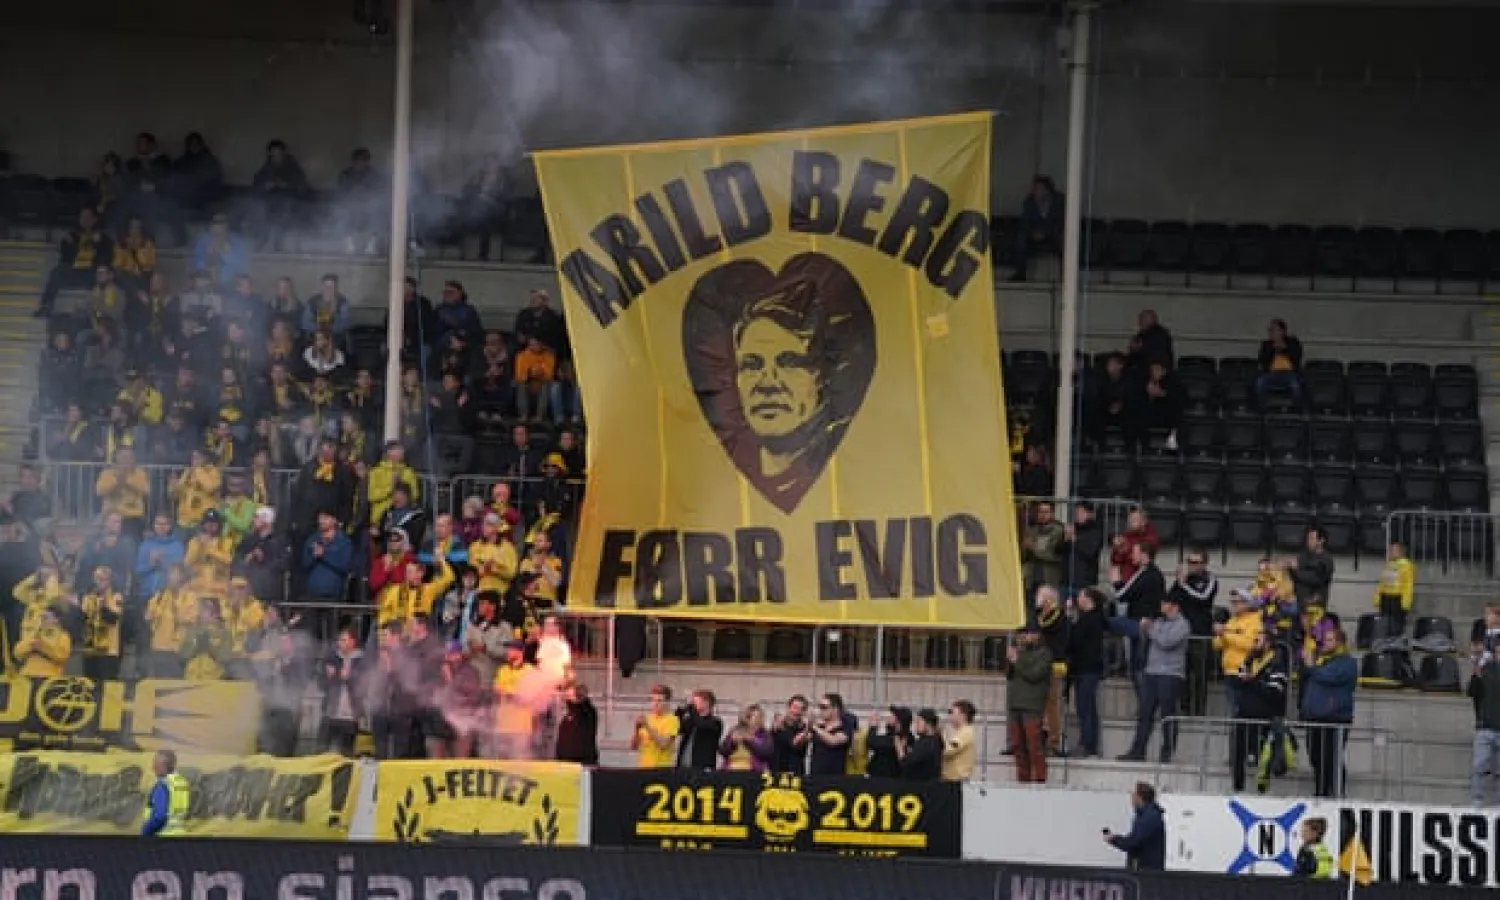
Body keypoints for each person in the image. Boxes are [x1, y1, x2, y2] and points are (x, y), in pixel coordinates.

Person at [1117, 594, 1191, 763]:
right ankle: (1138, 750)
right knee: (1144, 713)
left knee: (1168, 714)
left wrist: (1150, 629)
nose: (1162, 607)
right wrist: (1145, 630)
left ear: (1175, 606)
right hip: (1151, 672)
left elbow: (1166, 642)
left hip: (1170, 674)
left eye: (1165, 604)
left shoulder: (1182, 625)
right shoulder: (1159, 622)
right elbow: (1149, 640)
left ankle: (1166, 752)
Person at [1301, 624, 1357, 798]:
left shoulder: (1347, 663)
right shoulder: (1322, 660)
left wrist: (1310, 665)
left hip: (1335, 718)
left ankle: (1336, 792)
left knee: (1331, 758)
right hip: (1315, 718)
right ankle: (1321, 792)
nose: (1325, 643)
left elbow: (1328, 677)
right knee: (1316, 757)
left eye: (1330, 640)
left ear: (1340, 643)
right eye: (1324, 640)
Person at [1233, 630, 1290, 793]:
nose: (1254, 644)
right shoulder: (1250, 659)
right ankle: (1238, 787)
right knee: (1239, 753)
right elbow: (1239, 680)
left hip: (1265, 718)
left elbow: (1276, 691)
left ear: (1268, 643)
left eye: (1258, 640)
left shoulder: (1277, 663)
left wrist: (1253, 681)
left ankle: (1262, 789)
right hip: (1244, 715)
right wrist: (1243, 679)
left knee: (1263, 757)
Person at [1171, 548, 1219, 717]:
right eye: (1190, 562)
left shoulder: (1210, 579)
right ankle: (1184, 708)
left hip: (1200, 634)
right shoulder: (1183, 580)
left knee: (1200, 675)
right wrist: (1179, 583)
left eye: (1196, 562)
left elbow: (1203, 598)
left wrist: (1183, 585)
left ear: (1204, 564)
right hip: (1183, 634)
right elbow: (1171, 600)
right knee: (1182, 674)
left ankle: (1199, 711)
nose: (1192, 566)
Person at [1006, 626, 1053, 783]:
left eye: (1029, 633)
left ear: (1038, 635)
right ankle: (1023, 780)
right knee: (1018, 747)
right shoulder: (1020, 652)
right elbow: (1010, 675)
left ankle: (1040, 780)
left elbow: (1034, 674)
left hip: (1032, 705)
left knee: (1034, 747)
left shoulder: (1045, 654)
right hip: (1015, 704)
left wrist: (1017, 660)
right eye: (1024, 634)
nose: (1025, 637)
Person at [1068, 587, 1108, 757]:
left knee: (1085, 708)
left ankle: (1087, 743)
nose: (1078, 598)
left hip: (1086, 668)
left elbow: (1075, 641)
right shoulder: (1096, 618)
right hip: (1088, 668)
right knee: (1088, 707)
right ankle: (1090, 744)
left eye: (1081, 596)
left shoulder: (1089, 620)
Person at [1468, 604, 1500, 806]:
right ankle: (1476, 802)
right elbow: (1473, 692)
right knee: (1479, 766)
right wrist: (1475, 673)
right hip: (1485, 725)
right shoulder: (1485, 670)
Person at [1011, 175, 1063, 282]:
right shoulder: (1029, 203)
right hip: (1035, 236)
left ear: (1047, 191)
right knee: (1021, 238)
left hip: (1054, 234)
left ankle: (1066, 274)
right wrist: (1032, 233)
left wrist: (1046, 233)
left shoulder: (1059, 202)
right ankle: (1020, 272)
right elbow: (1025, 223)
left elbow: (1061, 222)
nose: (1034, 191)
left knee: (1065, 239)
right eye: (1034, 189)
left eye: (1038, 189)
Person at [1103, 782, 1166, 871]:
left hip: (1146, 872)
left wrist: (1114, 839)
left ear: (1139, 797)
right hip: (1144, 870)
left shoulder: (1149, 817)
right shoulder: (1145, 816)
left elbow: (1134, 842)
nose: (1131, 798)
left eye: (1133, 794)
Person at [141, 749, 191, 837]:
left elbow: (159, 817)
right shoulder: (182, 783)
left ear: (163, 766)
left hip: (162, 835)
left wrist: (146, 831)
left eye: (156, 764)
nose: (153, 768)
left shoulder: (163, 786)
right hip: (181, 834)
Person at [1255, 318, 1304, 407]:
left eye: (1273, 330)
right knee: (1260, 383)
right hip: (1271, 373)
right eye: (1270, 330)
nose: (1270, 332)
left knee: (1295, 385)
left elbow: (1297, 357)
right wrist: (1272, 349)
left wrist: (1284, 349)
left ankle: (1298, 410)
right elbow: (1262, 361)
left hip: (1289, 373)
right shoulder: (1266, 345)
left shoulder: (1293, 342)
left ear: (1282, 331)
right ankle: (1262, 410)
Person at [1373, 541, 1416, 637]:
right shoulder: (1388, 564)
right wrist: (1377, 597)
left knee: (1396, 626)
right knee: (1385, 624)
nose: (1392, 552)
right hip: (1385, 597)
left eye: (1395, 550)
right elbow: (1382, 583)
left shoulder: (1407, 565)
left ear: (1401, 551)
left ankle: (1396, 643)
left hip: (1397, 598)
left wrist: (1406, 601)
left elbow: (1408, 584)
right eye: (1391, 550)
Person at [632, 684, 680, 768]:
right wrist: (636, 729)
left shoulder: (672, 720)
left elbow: (664, 744)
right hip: (643, 767)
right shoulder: (648, 718)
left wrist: (647, 726)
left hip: (661, 769)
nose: (655, 703)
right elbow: (634, 747)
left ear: (667, 702)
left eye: (659, 700)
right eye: (653, 700)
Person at [675, 689, 723, 771]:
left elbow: (700, 724)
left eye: (696, 702)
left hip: (703, 766)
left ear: (706, 703)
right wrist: (681, 711)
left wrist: (691, 709)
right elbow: (677, 729)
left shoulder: (715, 722)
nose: (693, 704)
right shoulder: (690, 720)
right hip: (684, 765)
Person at [1288, 526, 1336, 609]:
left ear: (1321, 540)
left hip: (1314, 604)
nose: (1308, 541)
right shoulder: (1303, 556)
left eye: (1312, 538)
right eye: (1308, 538)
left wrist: (1295, 569)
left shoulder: (1327, 560)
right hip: (1297, 601)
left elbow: (1314, 578)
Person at [555, 681, 600, 766]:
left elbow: (580, 706)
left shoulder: (588, 712)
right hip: (567, 760)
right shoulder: (572, 712)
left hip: (583, 760)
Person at [719, 704, 773, 772]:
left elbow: (766, 753)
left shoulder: (765, 735)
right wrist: (732, 743)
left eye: (759, 717)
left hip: (753, 771)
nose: (757, 720)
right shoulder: (735, 730)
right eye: (753, 716)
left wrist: (749, 740)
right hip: (731, 770)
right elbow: (723, 751)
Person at [808, 693, 851, 776]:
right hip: (815, 775)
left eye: (824, 707)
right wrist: (809, 724)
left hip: (834, 776)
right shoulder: (820, 726)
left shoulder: (845, 726)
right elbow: (804, 740)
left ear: (836, 709)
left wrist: (815, 728)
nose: (821, 710)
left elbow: (833, 741)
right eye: (819, 707)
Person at [865, 706, 911, 779]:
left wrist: (873, 727)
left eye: (892, 715)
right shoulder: (893, 735)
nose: (888, 717)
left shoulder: (900, 738)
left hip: (888, 780)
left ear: (899, 722)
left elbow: (872, 742)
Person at [898, 709, 943, 781]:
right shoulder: (936, 739)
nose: (916, 725)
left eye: (919, 721)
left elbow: (905, 762)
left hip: (921, 785)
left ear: (928, 723)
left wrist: (899, 747)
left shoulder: (926, 743)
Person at [771, 694, 812, 774]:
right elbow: (793, 742)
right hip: (779, 772)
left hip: (798, 772)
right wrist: (807, 729)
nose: (797, 711)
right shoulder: (780, 724)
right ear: (788, 707)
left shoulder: (804, 727)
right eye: (795, 707)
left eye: (801, 709)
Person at [943, 700, 976, 782]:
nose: (950, 716)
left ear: (963, 715)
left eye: (952, 712)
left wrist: (939, 736)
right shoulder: (961, 732)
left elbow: (948, 750)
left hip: (956, 781)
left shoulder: (965, 733)